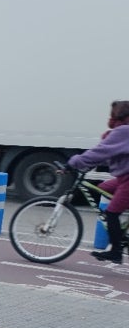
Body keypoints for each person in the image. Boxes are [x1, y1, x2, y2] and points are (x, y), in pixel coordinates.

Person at [67, 100, 129, 264]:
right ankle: (121, 233)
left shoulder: (123, 131)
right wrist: (88, 163)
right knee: (102, 188)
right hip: (123, 178)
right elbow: (107, 155)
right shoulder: (122, 132)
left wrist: (73, 162)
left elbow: (100, 151)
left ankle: (116, 251)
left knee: (111, 212)